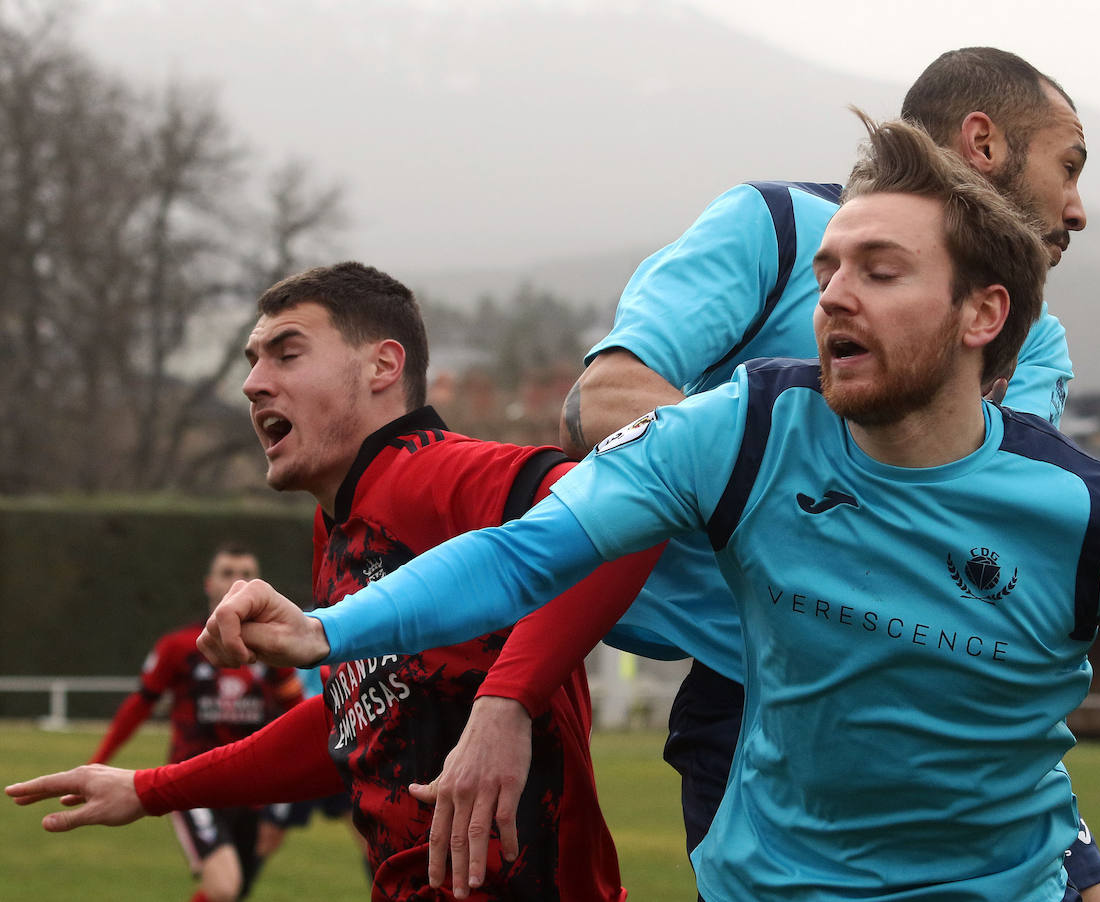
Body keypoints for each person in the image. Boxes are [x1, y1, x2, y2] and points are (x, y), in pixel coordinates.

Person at [187, 114, 1100, 900]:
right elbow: (527, 553)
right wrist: (333, 629)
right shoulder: (743, 427)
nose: (834, 296)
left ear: (983, 316)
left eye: (881, 271)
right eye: (828, 270)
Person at [449, 45, 1100, 902]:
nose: (1078, 208)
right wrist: (772, 491)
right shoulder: (771, 227)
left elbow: (989, 517)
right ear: (982, 143)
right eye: (1069, 165)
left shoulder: (1027, 333)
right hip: (752, 704)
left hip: (949, 709)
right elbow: (606, 398)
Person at [7, 262, 659, 901]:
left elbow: (636, 498)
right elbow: (352, 721)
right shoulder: (340, 530)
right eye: (251, 360)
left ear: (382, 366)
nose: (253, 383)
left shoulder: (439, 473)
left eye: (286, 354)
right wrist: (150, 788)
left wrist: (505, 703)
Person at [87, 542, 304, 902]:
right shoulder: (179, 647)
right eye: (227, 573)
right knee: (224, 887)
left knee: (235, 891)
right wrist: (98, 761)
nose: (237, 581)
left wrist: (285, 798)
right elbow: (139, 705)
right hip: (193, 781)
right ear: (209, 584)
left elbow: (298, 715)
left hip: (254, 787)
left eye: (247, 574)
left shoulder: (275, 649)